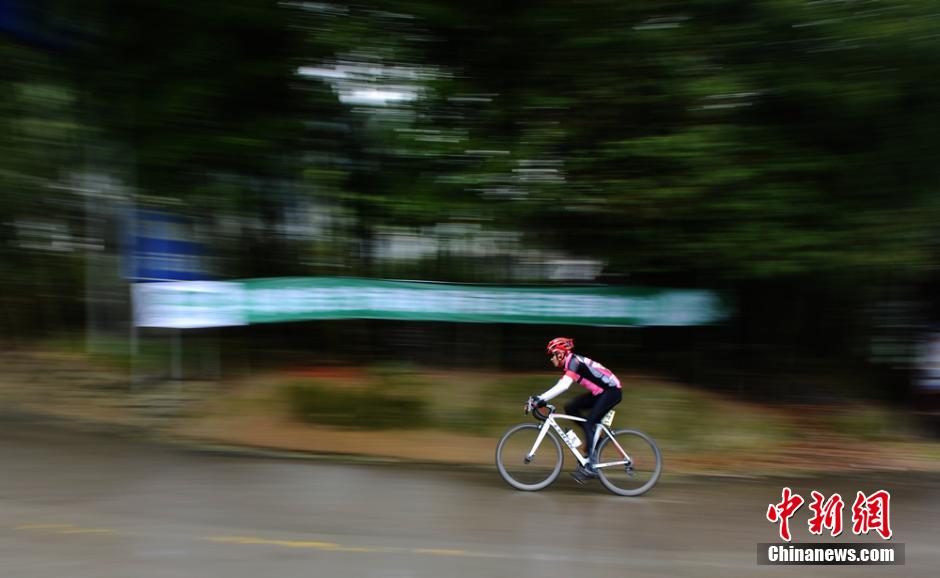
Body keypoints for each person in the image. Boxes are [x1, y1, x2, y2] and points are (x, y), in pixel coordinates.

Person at [526, 337, 622, 484]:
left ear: (560, 353)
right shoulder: (570, 364)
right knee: (570, 407)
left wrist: (540, 399)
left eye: (552, 355)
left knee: (590, 423)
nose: (551, 359)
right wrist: (541, 399)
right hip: (602, 392)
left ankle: (591, 467)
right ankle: (594, 440)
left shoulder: (573, 361)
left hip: (611, 391)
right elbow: (561, 384)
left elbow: (564, 386)